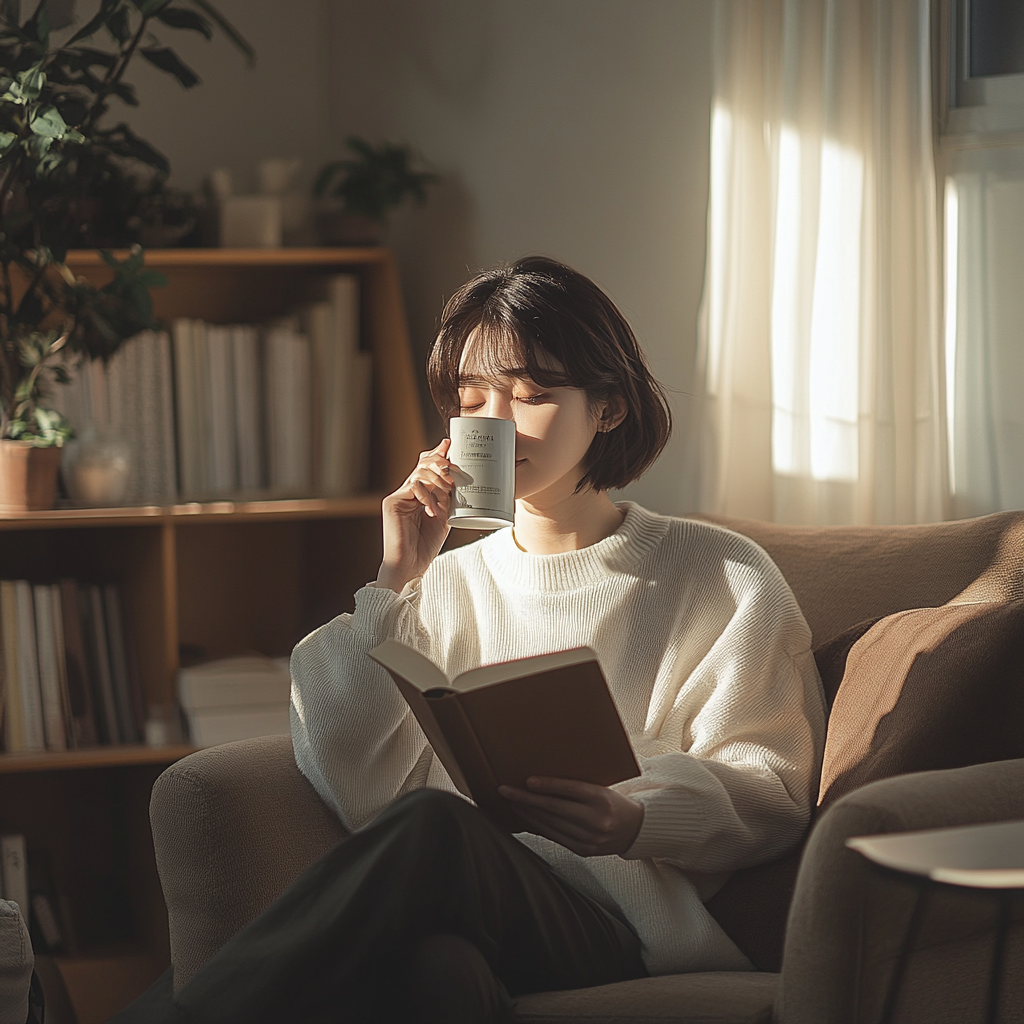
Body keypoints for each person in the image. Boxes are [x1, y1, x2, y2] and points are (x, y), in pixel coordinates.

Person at [167, 255, 825, 1024]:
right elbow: (354, 782)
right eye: (472, 397)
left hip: (618, 923)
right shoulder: (442, 584)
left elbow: (772, 783)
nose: (495, 422)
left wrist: (637, 817)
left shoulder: (719, 574)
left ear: (606, 408)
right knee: (434, 974)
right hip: (464, 907)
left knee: (437, 825)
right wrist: (395, 577)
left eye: (532, 395)